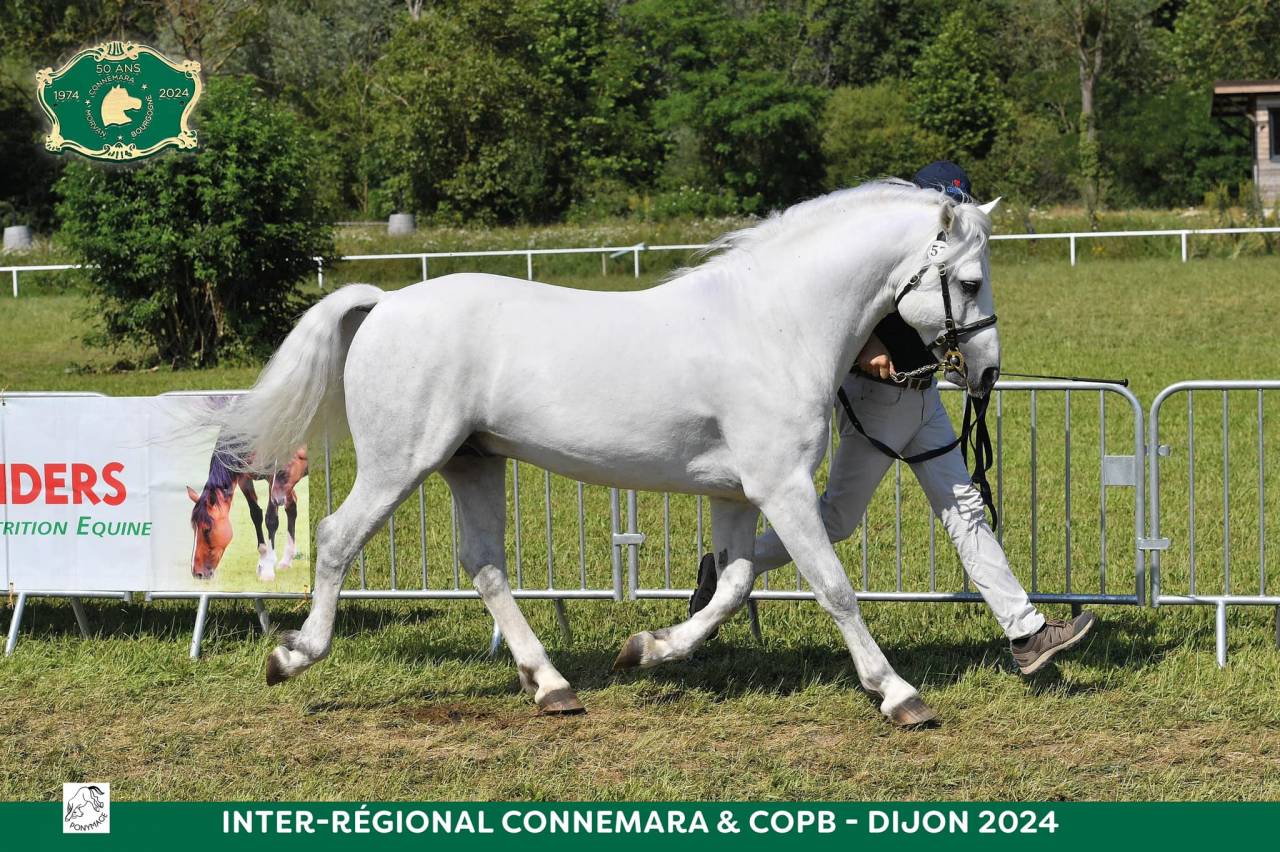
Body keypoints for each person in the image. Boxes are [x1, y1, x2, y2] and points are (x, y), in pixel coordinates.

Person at [690, 161, 1095, 675]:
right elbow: (845, 311)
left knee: (964, 512)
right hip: (876, 404)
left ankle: (1027, 633)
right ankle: (724, 568)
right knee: (836, 520)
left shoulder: (939, 254)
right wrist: (869, 347)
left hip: (922, 400)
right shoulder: (889, 252)